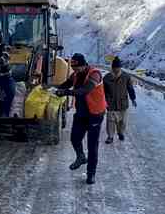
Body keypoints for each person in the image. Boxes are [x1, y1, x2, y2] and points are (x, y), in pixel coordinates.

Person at [57, 53, 106, 185]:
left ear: (84, 65)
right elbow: (64, 85)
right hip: (81, 113)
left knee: (92, 145)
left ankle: (91, 174)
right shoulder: (75, 75)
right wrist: (50, 88)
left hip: (95, 114)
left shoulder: (95, 74)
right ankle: (80, 156)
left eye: (77, 67)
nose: (75, 70)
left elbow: (85, 90)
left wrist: (67, 93)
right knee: (74, 138)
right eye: (73, 68)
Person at [103, 56, 137, 144]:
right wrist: (103, 102)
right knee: (110, 121)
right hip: (111, 103)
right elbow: (103, 91)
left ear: (120, 68)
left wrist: (133, 99)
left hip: (123, 103)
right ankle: (110, 136)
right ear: (112, 68)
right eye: (114, 68)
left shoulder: (126, 77)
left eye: (117, 68)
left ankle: (120, 133)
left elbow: (130, 88)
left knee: (122, 122)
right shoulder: (106, 78)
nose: (116, 70)